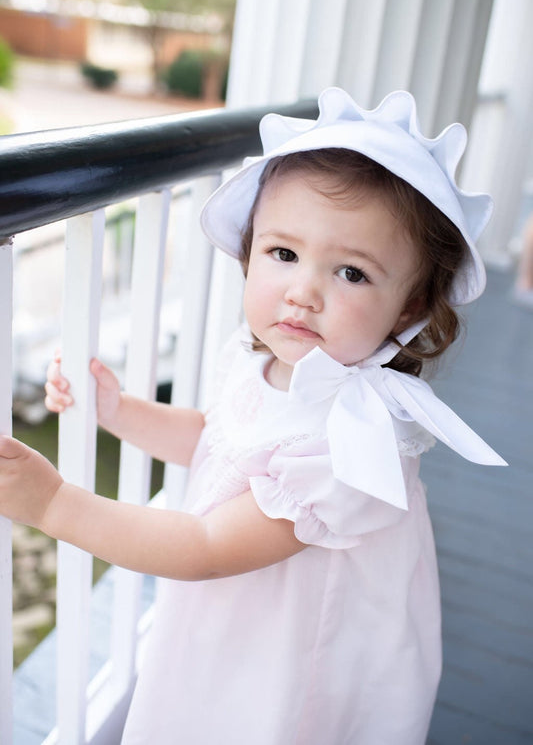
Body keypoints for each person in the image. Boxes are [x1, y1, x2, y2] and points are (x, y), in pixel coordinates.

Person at [0, 88, 506, 744]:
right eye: (283, 254)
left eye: (350, 272)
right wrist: (118, 410)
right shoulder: (259, 360)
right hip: (238, 616)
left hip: (286, 654)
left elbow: (205, 547)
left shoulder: (348, 442)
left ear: (408, 309)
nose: (302, 291)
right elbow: (220, 442)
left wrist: (54, 505)